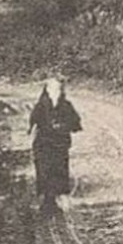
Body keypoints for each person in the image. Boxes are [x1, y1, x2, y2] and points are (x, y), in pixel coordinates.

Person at [29, 77, 83, 214]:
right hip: (45, 143)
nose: (57, 92)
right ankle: (48, 200)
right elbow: (33, 123)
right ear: (47, 90)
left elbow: (76, 124)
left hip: (58, 144)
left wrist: (65, 126)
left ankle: (51, 199)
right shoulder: (41, 106)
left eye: (59, 89)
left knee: (56, 170)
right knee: (46, 169)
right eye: (54, 89)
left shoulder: (66, 106)